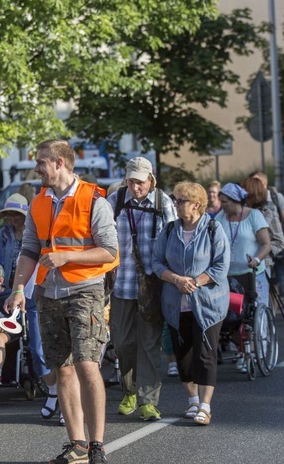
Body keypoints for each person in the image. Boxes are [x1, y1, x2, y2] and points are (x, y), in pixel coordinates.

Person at [5, 139, 119, 464]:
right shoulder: (38, 202)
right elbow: (29, 250)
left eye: (41, 162)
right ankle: (78, 444)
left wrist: (66, 256)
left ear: (59, 163)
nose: (36, 168)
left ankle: (97, 445)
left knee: (87, 365)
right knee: (63, 370)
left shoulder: (94, 199)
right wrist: (18, 289)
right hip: (48, 293)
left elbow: (110, 250)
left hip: (85, 290)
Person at [152, 181, 230, 426]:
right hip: (176, 304)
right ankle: (193, 400)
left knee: (205, 355)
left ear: (197, 205)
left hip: (208, 305)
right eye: (175, 200)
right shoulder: (168, 230)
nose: (175, 205)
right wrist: (176, 279)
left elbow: (220, 266)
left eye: (180, 201)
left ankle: (205, 406)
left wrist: (195, 282)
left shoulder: (214, 229)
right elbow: (156, 263)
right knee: (183, 356)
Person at [106, 157, 176, 422]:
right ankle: (130, 390)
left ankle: (148, 401)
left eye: (141, 182)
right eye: (132, 181)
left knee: (148, 344)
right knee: (123, 342)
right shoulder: (115, 201)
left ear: (151, 180)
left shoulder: (163, 203)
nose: (136, 187)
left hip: (152, 284)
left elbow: (172, 241)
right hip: (121, 283)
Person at [0, 193, 58, 420]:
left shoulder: (38, 232)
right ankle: (54, 390)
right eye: (9, 214)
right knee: (34, 348)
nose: (13, 219)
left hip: (42, 292)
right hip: (13, 293)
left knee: (52, 348)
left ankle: (61, 396)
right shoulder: (4, 234)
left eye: (17, 214)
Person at [214, 183, 271, 310]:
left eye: (225, 202)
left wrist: (256, 259)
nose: (222, 205)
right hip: (228, 276)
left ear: (235, 200)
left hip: (251, 275)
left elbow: (266, 244)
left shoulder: (254, 215)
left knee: (256, 309)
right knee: (234, 312)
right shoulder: (220, 217)